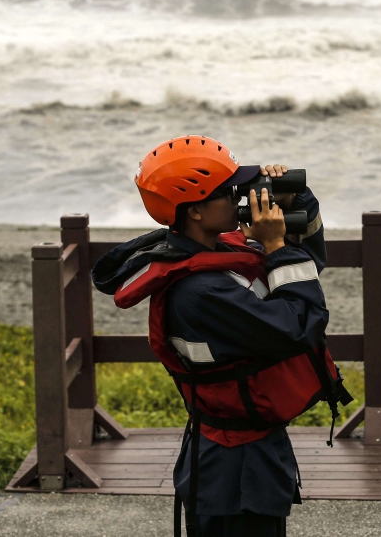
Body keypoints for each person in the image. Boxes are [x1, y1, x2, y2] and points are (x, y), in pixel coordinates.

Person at [91, 135, 351, 537]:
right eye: (229, 192)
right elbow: (301, 324)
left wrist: (296, 201)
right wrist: (276, 245)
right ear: (195, 210)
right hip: (233, 474)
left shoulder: (215, 252)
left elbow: (309, 263)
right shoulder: (201, 292)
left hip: (248, 455)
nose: (239, 197)